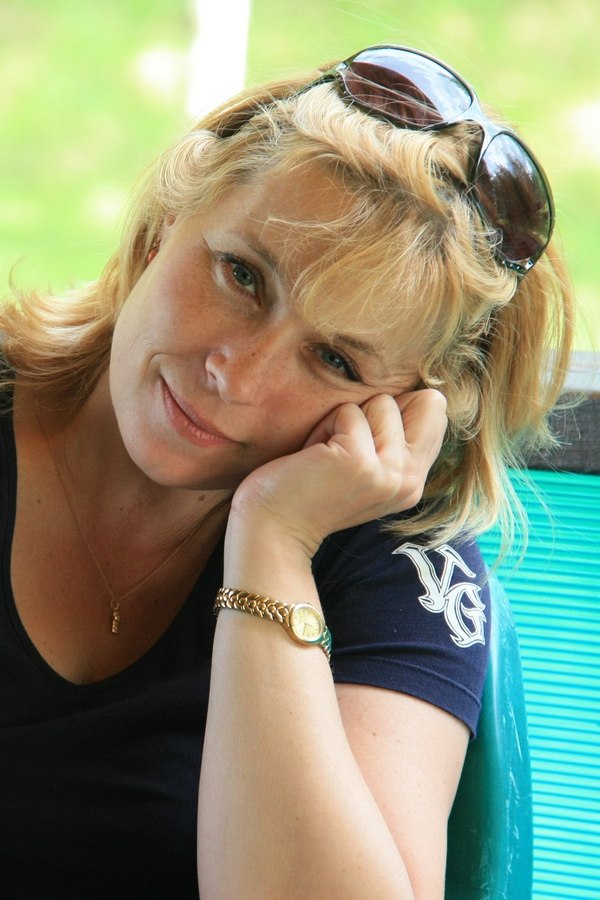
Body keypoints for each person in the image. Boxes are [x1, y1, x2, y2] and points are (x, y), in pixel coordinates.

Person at [0, 45, 573, 899]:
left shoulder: (399, 560)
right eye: (242, 276)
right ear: (164, 227)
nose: (238, 375)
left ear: (409, 408)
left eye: (336, 360)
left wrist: (274, 540)